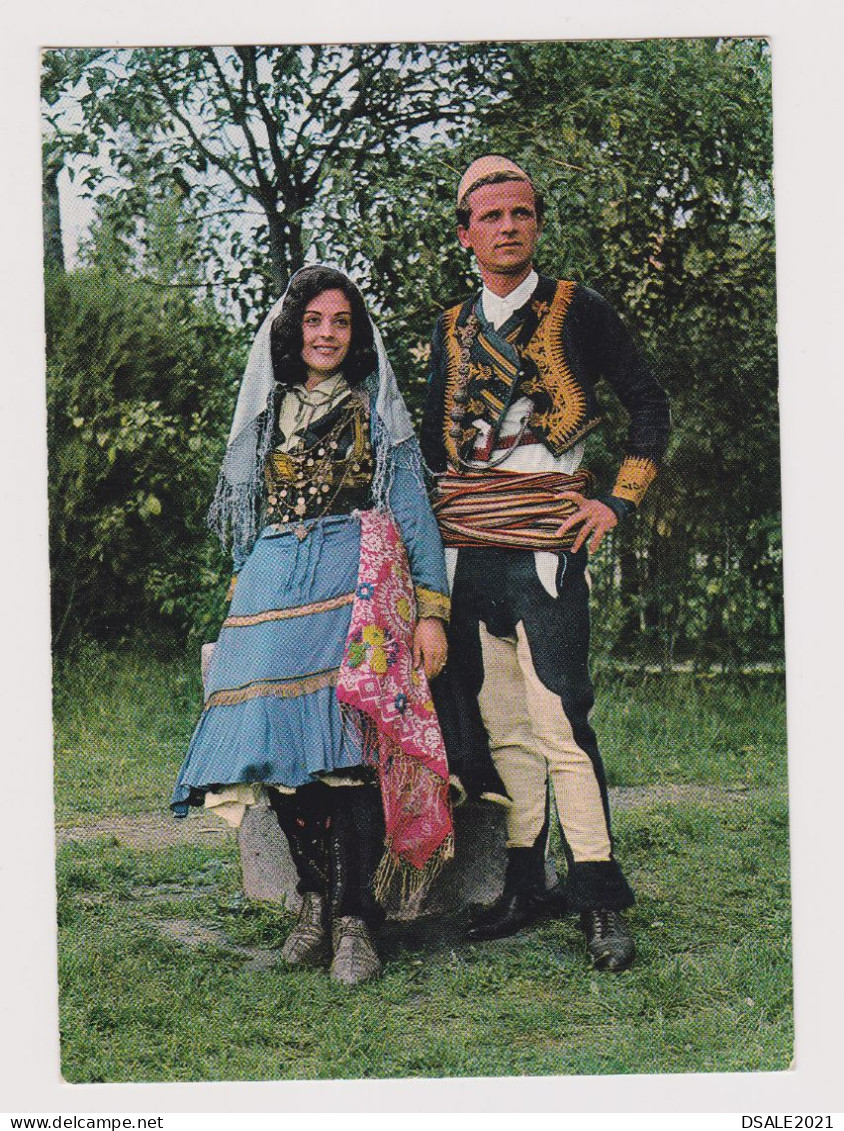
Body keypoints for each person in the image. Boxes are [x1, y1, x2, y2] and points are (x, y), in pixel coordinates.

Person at [420, 156, 671, 971]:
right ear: (466, 232)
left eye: (520, 214)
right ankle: (528, 880)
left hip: (547, 548)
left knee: (562, 721)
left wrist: (618, 501)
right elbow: (433, 446)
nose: (507, 227)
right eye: (490, 217)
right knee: (505, 726)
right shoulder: (452, 326)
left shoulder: (578, 309)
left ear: (537, 222)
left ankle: (597, 889)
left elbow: (647, 402)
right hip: (468, 553)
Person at [172, 266, 452, 986]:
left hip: (353, 576)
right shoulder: (268, 414)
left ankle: (357, 920)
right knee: (274, 756)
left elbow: (412, 508)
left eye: (341, 322)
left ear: (354, 335)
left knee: (345, 753)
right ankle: (316, 900)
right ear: (293, 332)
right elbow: (248, 511)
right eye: (315, 321)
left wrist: (430, 607)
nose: (327, 333)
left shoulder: (373, 409)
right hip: (274, 578)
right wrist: (243, 579)